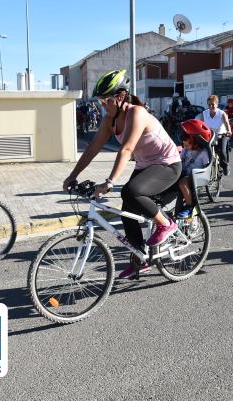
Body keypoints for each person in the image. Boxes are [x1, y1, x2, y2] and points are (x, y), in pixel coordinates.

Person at [62, 70, 182, 279]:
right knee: (127, 206)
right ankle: (140, 259)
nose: (102, 105)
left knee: (133, 190)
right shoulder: (110, 120)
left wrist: (109, 182)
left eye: (105, 100)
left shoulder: (137, 113)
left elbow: (126, 149)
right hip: (146, 165)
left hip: (168, 164)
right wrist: (72, 176)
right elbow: (92, 148)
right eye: (100, 101)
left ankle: (166, 224)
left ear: (120, 97)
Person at [176, 119, 211, 219]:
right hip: (184, 172)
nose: (183, 140)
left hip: (194, 176)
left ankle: (190, 206)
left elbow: (207, 167)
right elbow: (179, 159)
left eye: (185, 137)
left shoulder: (203, 153)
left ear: (196, 140)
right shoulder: (186, 149)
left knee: (183, 183)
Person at [200, 95, 232, 175]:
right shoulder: (204, 113)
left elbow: (227, 124)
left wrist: (229, 131)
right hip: (210, 135)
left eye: (213, 104)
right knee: (204, 149)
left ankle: (225, 166)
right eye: (209, 104)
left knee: (222, 150)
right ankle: (205, 166)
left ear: (217, 104)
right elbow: (201, 125)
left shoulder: (222, 113)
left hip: (222, 134)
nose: (211, 106)